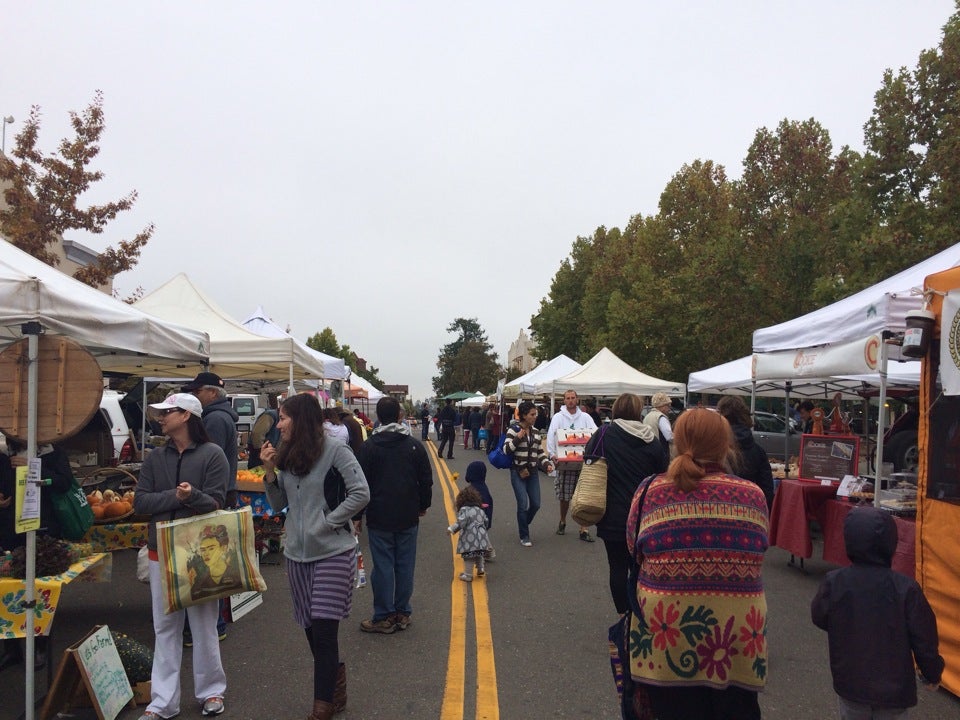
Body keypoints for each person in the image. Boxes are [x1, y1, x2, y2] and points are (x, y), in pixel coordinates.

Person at [626, 408, 769, 720]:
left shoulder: (650, 491)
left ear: (676, 442)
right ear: (726, 446)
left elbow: (633, 551)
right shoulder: (753, 496)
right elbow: (760, 551)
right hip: (737, 640)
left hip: (667, 639)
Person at [260, 392, 370, 720]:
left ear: (301, 418)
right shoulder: (287, 454)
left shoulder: (336, 449)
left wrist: (329, 520)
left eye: (282, 417)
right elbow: (279, 504)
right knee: (311, 630)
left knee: (324, 631)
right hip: (297, 555)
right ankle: (335, 686)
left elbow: (361, 492)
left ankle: (321, 707)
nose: (277, 424)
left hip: (334, 552)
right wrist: (269, 472)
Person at [133, 393, 230, 720]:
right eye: (161, 413)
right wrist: (177, 497)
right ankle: (162, 703)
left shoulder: (213, 455)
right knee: (165, 627)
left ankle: (211, 691)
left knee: (203, 625)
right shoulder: (154, 457)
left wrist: (193, 497)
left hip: (198, 552)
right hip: (160, 551)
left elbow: (215, 503)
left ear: (187, 415)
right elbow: (140, 503)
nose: (161, 417)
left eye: (168, 412)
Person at [811, 506, 943, 719]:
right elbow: (924, 638)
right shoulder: (906, 589)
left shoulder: (834, 582)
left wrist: (845, 623)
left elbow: (819, 616)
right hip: (894, 690)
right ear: (891, 542)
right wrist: (932, 673)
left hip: (851, 682)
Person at [355, 396, 433, 634]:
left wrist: (358, 515)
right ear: (400, 415)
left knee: (383, 566)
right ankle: (402, 612)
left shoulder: (369, 447)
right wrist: (423, 505)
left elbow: (360, 484)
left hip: (379, 516)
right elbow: (426, 480)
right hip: (408, 513)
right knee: (405, 565)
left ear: (378, 417)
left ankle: (384, 615)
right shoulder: (413, 446)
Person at [585, 393, 666, 615]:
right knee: (641, 568)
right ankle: (640, 612)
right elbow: (663, 473)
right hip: (645, 515)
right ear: (639, 411)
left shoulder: (605, 433)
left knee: (617, 566)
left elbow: (588, 458)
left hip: (613, 513)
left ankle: (624, 614)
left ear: (616, 410)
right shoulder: (652, 440)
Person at [181, 371, 237, 644]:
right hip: (223, 490)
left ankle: (212, 624)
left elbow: (208, 458)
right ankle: (217, 621)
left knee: (208, 556)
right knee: (216, 556)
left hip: (212, 494)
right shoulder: (223, 415)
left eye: (198, 391)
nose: (194, 396)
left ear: (212, 393)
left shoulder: (213, 419)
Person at [545, 389, 598, 541]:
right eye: (567, 398)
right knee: (565, 495)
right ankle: (562, 520)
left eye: (573, 398)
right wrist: (552, 453)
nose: (570, 400)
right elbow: (551, 435)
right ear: (564, 401)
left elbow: (594, 434)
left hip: (582, 463)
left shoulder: (586, 417)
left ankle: (584, 528)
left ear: (577, 399)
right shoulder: (558, 417)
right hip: (565, 462)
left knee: (582, 496)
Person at [503, 400, 555, 547]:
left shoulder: (537, 432)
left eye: (535, 414)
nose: (535, 417)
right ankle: (524, 535)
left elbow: (540, 453)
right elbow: (506, 450)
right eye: (532, 414)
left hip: (532, 472)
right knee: (522, 503)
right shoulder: (513, 430)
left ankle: (523, 522)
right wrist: (518, 437)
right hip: (517, 471)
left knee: (536, 504)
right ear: (524, 415)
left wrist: (547, 465)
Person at [717, 395, 776, 511]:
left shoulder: (713, 448)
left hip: (719, 510)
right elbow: (767, 492)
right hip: (750, 511)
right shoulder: (758, 451)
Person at [447, 485, 490, 582]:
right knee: (479, 553)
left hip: (470, 537)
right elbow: (486, 521)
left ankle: (468, 574)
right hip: (481, 536)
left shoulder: (465, 510)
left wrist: (451, 529)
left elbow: (461, 522)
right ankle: (480, 568)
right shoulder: (480, 510)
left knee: (469, 557)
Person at [189, 524, 243, 601]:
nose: (206, 554)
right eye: (203, 550)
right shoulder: (199, 584)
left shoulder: (236, 576)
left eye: (211, 548)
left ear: (224, 548)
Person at [464, 460, 495, 561]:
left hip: (476, 520)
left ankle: (479, 558)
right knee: (483, 536)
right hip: (485, 518)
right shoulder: (483, 488)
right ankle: (489, 552)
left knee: (476, 539)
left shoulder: (473, 490)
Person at [643, 392, 674, 467]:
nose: (669, 409)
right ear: (662, 406)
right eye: (668, 406)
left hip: (648, 453)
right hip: (661, 455)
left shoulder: (647, 416)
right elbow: (669, 437)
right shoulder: (661, 417)